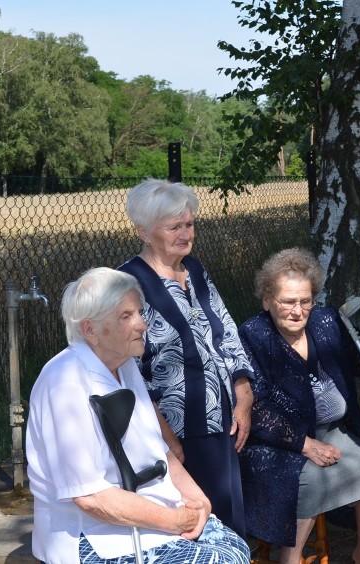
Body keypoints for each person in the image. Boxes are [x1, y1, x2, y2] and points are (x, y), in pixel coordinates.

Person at [25, 267, 250, 564]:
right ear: (90, 330)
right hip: (93, 536)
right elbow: (89, 497)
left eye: (139, 312)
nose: (143, 324)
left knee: (235, 547)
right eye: (126, 316)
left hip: (148, 516)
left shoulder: (125, 364)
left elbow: (158, 447)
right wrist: (172, 521)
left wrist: (197, 499)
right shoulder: (65, 381)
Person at [238, 247, 360, 564]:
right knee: (312, 478)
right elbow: (256, 407)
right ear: (267, 300)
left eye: (305, 301)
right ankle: (291, 558)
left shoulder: (326, 321)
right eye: (287, 302)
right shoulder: (253, 335)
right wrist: (303, 444)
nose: (297, 311)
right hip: (276, 441)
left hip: (328, 429)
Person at [118, 178, 254, 538]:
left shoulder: (195, 270)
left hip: (220, 422)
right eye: (174, 226)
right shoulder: (127, 284)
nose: (185, 233)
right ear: (144, 232)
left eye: (189, 224)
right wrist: (164, 438)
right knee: (194, 527)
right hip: (175, 430)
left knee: (227, 521)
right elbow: (127, 371)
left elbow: (227, 331)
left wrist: (243, 395)